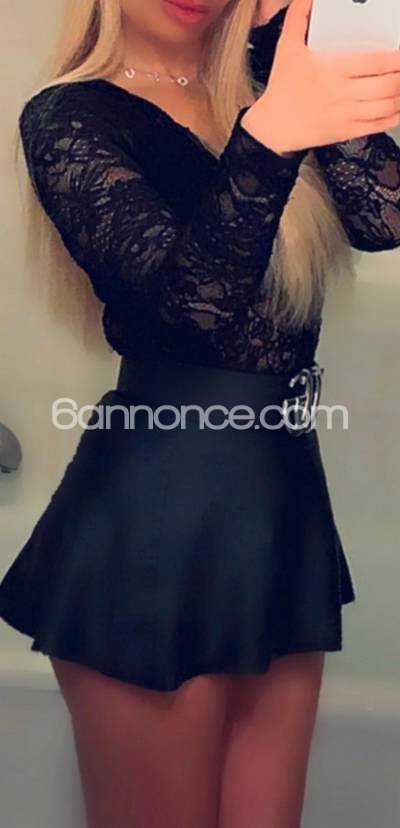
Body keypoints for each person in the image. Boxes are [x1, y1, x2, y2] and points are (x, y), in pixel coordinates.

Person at [0, 0, 399, 825]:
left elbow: (384, 216)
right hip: (153, 525)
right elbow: (193, 312)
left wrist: (286, 45)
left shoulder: (265, 87)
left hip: (279, 509)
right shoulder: (71, 115)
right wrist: (274, 132)